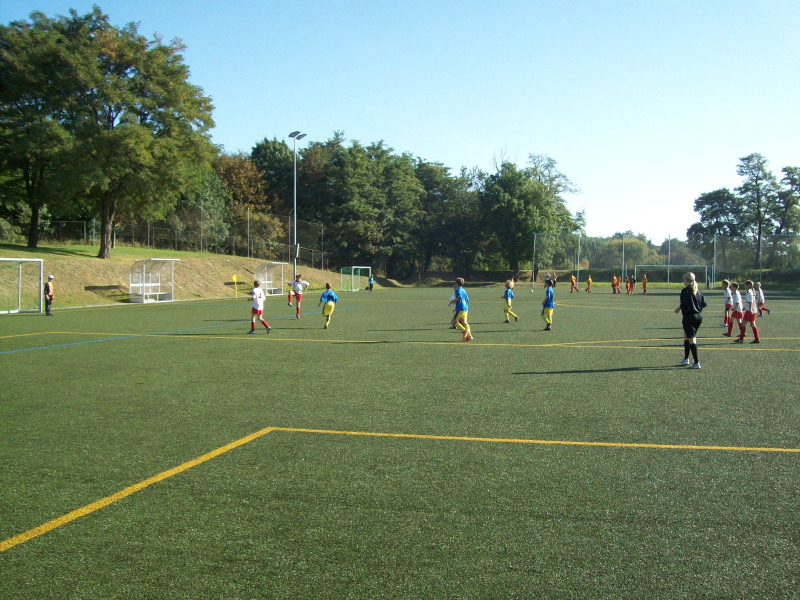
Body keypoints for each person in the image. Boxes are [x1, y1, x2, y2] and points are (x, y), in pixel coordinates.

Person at [674, 272, 706, 369]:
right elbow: (704, 304)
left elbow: (684, 304)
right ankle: (686, 359)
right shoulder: (698, 291)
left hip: (689, 317)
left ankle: (696, 362)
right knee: (686, 336)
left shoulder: (685, 291)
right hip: (698, 317)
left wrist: (678, 309)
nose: (683, 282)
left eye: (684, 280)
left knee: (692, 339)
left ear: (686, 280)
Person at [449, 277, 473, 341]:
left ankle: (464, 331)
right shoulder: (464, 290)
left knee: (453, 321)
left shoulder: (458, 290)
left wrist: (453, 301)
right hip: (465, 308)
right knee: (464, 322)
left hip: (459, 308)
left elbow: (459, 298)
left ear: (456, 283)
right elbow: (467, 300)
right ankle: (469, 336)